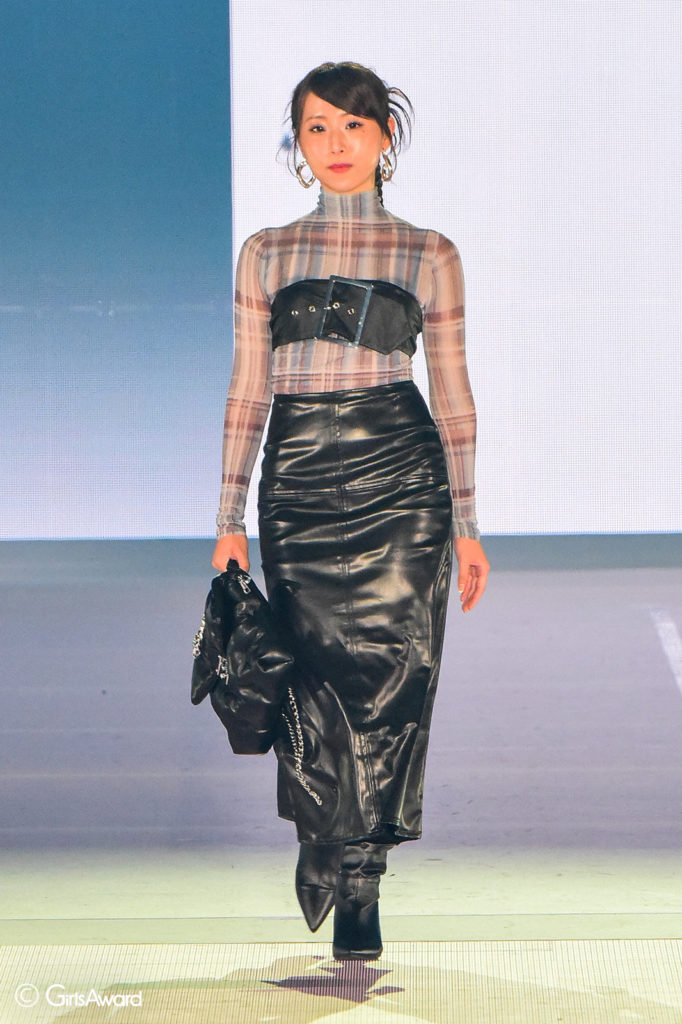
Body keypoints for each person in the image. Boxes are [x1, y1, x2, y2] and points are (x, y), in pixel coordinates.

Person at [211, 61, 489, 961]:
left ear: (385, 137)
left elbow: (452, 394)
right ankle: (321, 837)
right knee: (313, 671)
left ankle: (362, 877)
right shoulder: (266, 252)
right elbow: (248, 390)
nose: (336, 144)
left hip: (402, 476)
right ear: (298, 143)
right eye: (317, 127)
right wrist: (227, 516)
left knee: (397, 672)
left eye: (354, 126)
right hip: (297, 475)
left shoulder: (429, 253)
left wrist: (468, 522)